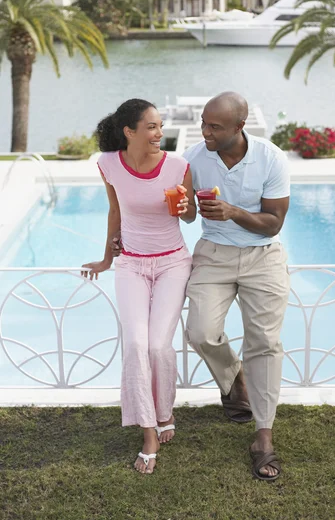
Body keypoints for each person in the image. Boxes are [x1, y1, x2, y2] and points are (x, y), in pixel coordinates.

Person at [82, 99, 196, 476]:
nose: (159, 133)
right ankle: (148, 430)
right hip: (131, 263)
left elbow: (191, 213)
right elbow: (114, 211)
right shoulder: (109, 164)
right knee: (134, 345)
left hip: (172, 263)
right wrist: (106, 258)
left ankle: (164, 411)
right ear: (128, 131)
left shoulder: (178, 166)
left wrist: (184, 209)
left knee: (159, 345)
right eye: (151, 127)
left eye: (160, 126)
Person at [182, 92, 290, 482]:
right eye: (204, 124)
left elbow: (274, 222)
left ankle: (263, 434)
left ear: (239, 127)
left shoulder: (271, 158)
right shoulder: (194, 158)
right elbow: (190, 214)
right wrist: (185, 208)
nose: (206, 132)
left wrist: (233, 212)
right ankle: (235, 379)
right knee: (201, 332)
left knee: (264, 342)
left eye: (215, 127)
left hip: (263, 255)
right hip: (214, 254)